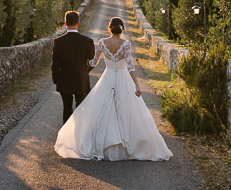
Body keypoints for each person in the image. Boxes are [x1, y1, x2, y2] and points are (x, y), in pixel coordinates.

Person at [54, 17, 172, 161]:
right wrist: (136, 84)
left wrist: (83, 62)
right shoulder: (126, 44)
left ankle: (101, 143)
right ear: (122, 29)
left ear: (109, 28)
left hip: (108, 77)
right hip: (123, 79)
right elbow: (130, 66)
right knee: (127, 110)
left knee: (102, 108)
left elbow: (93, 62)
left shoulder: (103, 43)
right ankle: (126, 143)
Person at [51, 10, 96, 123]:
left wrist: (57, 80)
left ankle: (66, 136)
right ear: (78, 23)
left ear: (65, 23)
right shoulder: (88, 42)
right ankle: (79, 135)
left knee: (67, 109)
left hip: (64, 80)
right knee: (81, 110)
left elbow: (55, 65)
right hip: (82, 80)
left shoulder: (58, 42)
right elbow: (92, 61)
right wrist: (84, 72)